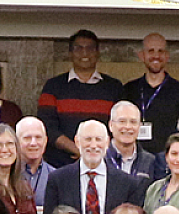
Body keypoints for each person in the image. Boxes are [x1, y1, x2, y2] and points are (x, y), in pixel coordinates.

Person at [36, 30, 125, 168]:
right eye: (79, 48)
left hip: (104, 165)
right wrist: (78, 149)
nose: (84, 53)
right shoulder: (53, 86)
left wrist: (93, 151)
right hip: (60, 167)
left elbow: (120, 127)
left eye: (90, 48)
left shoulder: (114, 87)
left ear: (97, 53)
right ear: (70, 53)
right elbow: (47, 127)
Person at [127, 34, 179, 153]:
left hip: (168, 159)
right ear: (142, 55)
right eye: (151, 51)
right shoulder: (129, 90)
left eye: (160, 51)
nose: (156, 56)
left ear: (167, 56)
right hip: (135, 157)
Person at [107, 102, 164, 180]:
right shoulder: (101, 159)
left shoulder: (150, 161)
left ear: (139, 126)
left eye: (133, 122)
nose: (128, 127)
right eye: (122, 121)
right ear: (111, 125)